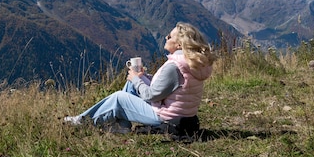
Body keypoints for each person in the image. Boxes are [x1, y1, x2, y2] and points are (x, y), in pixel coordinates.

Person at [63, 22, 216, 137]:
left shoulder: (174, 66)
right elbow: (170, 88)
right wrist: (141, 78)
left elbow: (152, 95)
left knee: (119, 98)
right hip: (183, 116)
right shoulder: (191, 62)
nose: (166, 37)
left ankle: (82, 122)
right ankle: (121, 127)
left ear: (178, 44)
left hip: (167, 118)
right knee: (131, 85)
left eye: (169, 36)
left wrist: (137, 79)